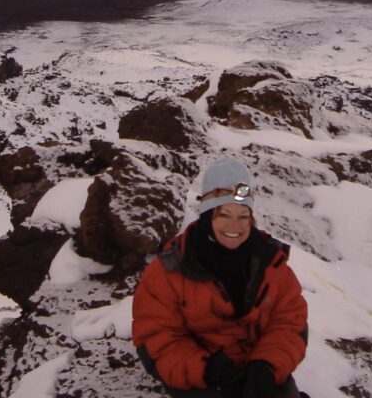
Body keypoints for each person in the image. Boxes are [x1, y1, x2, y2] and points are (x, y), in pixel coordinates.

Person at [132, 157, 308, 398]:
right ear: (207, 217)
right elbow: (156, 336)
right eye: (224, 214)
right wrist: (208, 369)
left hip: (258, 370)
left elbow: (290, 322)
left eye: (243, 215)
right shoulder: (170, 269)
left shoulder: (271, 263)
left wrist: (266, 366)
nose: (234, 225)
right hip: (202, 377)